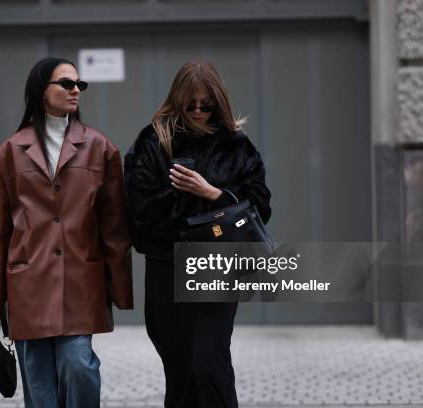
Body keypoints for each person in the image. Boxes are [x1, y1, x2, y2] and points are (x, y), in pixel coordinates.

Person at [0, 57, 133, 408]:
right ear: (40, 91)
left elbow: (113, 226)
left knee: (79, 365)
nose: (76, 90)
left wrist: (119, 290)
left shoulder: (100, 148)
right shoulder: (8, 154)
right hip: (27, 286)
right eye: (66, 83)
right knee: (39, 387)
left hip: (80, 281)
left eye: (80, 84)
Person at [124, 60, 272, 408]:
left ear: (218, 102)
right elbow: (138, 213)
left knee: (208, 363)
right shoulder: (152, 141)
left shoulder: (235, 145)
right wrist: (180, 196)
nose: (198, 110)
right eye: (191, 103)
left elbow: (260, 205)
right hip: (167, 267)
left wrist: (212, 194)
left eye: (206, 104)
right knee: (180, 368)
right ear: (178, 100)